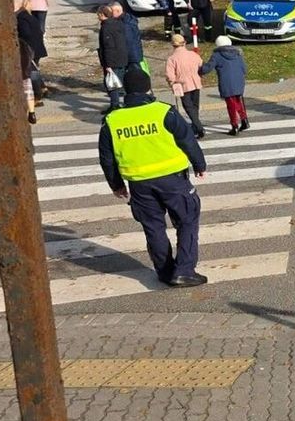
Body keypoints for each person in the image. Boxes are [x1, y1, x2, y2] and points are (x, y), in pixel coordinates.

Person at [98, 66, 208, 287]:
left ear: (125, 91)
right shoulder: (163, 111)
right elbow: (187, 139)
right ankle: (184, 270)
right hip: (173, 180)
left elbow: (107, 158)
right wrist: (199, 164)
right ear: (148, 88)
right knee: (187, 221)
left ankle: (166, 272)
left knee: (153, 228)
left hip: (139, 185)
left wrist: (116, 185)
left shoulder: (112, 121)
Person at [199, 35, 249, 134]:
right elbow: (244, 69)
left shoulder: (217, 55)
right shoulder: (238, 54)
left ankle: (234, 126)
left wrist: (200, 67)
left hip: (226, 83)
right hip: (239, 82)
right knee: (238, 101)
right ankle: (244, 120)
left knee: (231, 105)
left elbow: (207, 69)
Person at [166, 34, 205, 138]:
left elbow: (170, 75)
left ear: (173, 45)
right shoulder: (193, 54)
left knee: (188, 106)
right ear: (184, 43)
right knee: (195, 105)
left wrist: (172, 83)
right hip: (196, 82)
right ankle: (196, 125)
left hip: (183, 85)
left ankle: (198, 126)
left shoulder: (172, 59)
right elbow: (201, 65)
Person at [97, 4, 128, 114]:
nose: (97, 17)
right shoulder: (118, 23)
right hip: (122, 57)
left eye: (98, 15)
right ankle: (126, 103)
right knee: (121, 82)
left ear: (102, 14)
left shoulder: (106, 27)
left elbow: (109, 47)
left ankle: (115, 105)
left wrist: (108, 65)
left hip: (112, 61)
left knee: (111, 84)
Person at [16, 0, 46, 107]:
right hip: (36, 48)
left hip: (30, 49)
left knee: (32, 73)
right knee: (35, 70)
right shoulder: (29, 17)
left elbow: (26, 34)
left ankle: (37, 96)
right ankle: (42, 88)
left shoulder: (21, 18)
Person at [111, 1, 147, 75]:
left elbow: (127, 42)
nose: (110, 14)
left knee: (135, 76)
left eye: (111, 12)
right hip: (134, 54)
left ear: (117, 11)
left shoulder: (125, 25)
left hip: (131, 56)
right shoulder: (128, 19)